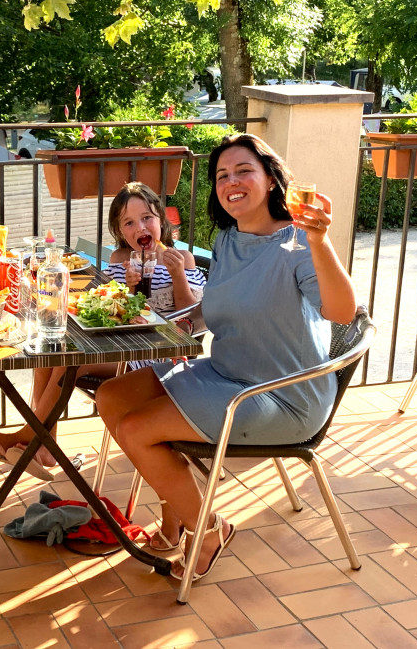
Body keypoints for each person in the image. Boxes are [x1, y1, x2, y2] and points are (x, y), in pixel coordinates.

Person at [95, 134, 357, 579]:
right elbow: (213, 306)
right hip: (228, 372)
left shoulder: (299, 244)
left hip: (282, 395)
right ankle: (179, 519)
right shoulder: (228, 239)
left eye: (243, 171)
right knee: (111, 396)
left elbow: (343, 312)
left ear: (271, 180)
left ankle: (207, 529)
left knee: (137, 429)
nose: (230, 182)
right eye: (222, 175)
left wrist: (320, 239)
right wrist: (179, 323)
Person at [0, 182, 206, 481]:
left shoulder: (181, 258)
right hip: (119, 346)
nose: (140, 227)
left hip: (158, 356)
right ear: (120, 231)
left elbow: (191, 319)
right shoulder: (120, 260)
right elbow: (112, 306)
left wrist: (177, 276)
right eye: (129, 222)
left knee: (73, 359)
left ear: (161, 219)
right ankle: (46, 444)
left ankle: (31, 434)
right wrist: (127, 289)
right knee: (51, 351)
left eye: (147, 218)